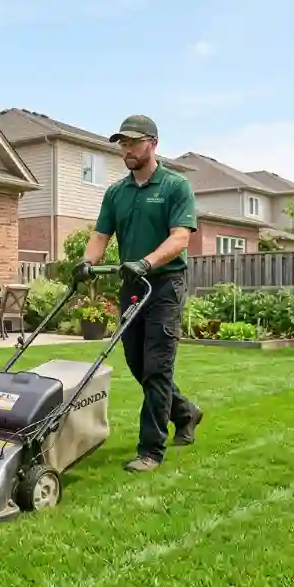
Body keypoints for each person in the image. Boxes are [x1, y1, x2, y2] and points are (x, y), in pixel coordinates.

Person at [74, 114, 203, 473]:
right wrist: (86, 262)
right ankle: (185, 412)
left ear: (153, 144)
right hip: (132, 284)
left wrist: (147, 262)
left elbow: (180, 237)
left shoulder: (175, 187)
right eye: (122, 143)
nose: (126, 149)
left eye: (133, 142)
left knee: (158, 367)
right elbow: (100, 236)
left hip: (164, 285)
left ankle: (151, 450)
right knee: (137, 362)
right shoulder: (117, 192)